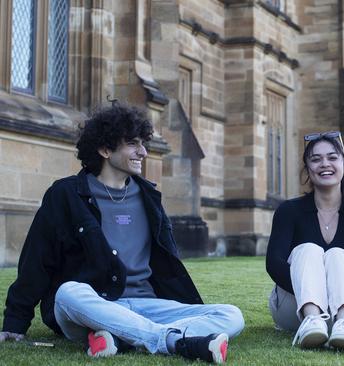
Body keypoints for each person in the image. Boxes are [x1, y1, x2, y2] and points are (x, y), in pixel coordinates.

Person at [0, 104, 244, 363]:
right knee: (68, 292)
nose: (143, 152)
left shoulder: (150, 197)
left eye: (143, 143)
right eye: (132, 144)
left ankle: (119, 337)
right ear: (105, 150)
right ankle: (173, 340)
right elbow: (37, 260)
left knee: (231, 315)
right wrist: (15, 323)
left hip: (146, 306)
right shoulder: (66, 195)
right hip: (91, 305)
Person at [265, 131, 344, 351]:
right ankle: (312, 319)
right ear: (308, 168)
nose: (324, 164)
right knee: (308, 249)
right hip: (295, 309)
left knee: (337, 254)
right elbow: (274, 264)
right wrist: (313, 292)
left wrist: (338, 294)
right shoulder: (289, 211)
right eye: (316, 159)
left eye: (332, 157)